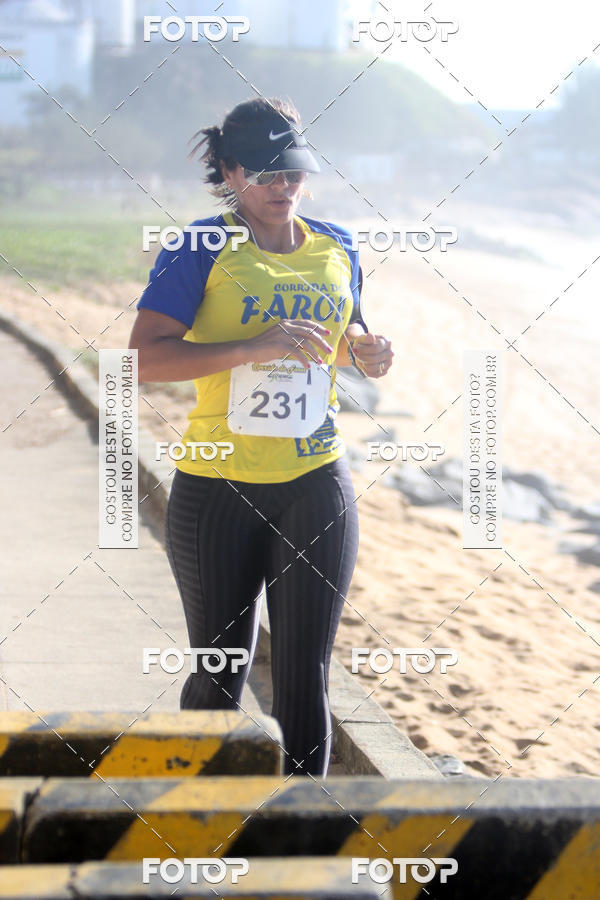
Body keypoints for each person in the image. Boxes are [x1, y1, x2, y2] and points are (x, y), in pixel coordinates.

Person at [129, 96, 394, 776]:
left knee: (306, 678)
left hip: (314, 479)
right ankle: (202, 843)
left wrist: (366, 354)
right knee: (220, 672)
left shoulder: (338, 245)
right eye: (267, 175)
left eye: (295, 174)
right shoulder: (199, 245)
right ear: (229, 170)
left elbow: (340, 343)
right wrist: (254, 344)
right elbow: (144, 359)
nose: (284, 188)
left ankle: (300, 850)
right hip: (218, 484)